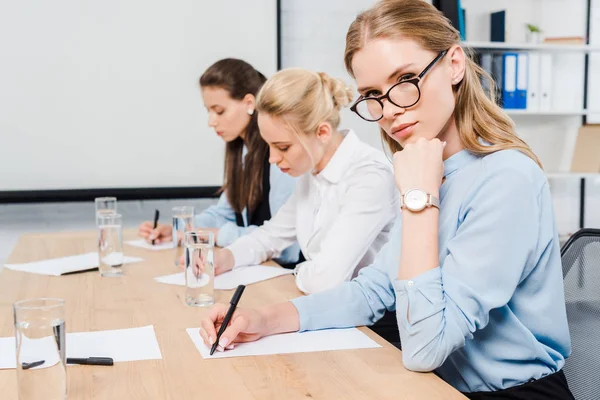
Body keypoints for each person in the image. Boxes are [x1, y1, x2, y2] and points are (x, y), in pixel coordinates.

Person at [197, 1, 574, 398]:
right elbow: (374, 291)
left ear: (454, 65)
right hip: (438, 387)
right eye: (373, 94)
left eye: (407, 78)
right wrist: (262, 319)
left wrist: (419, 199)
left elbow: (426, 346)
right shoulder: (426, 169)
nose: (391, 109)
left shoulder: (504, 177)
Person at [211, 67, 398, 295]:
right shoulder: (313, 174)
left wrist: (296, 273)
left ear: (322, 133)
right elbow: (270, 236)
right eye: (269, 146)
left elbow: (325, 279)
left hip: (375, 325)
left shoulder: (369, 177)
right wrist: (226, 257)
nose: (272, 159)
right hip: (331, 308)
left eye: (283, 147)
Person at [138, 58, 299, 264]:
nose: (211, 121)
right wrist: (181, 229)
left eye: (219, 111)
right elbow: (224, 213)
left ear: (250, 103)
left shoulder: (279, 156)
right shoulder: (241, 150)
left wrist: (217, 234)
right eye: (209, 111)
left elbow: (288, 245)